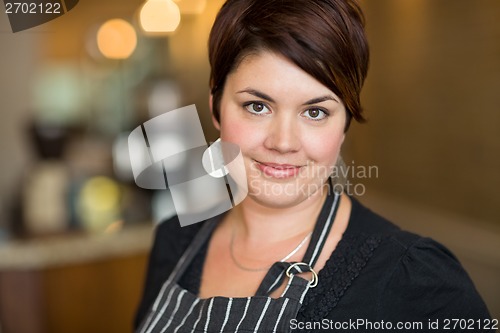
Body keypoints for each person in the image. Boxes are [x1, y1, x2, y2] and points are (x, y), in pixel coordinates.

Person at [134, 0, 493, 332]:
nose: (283, 142)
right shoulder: (175, 241)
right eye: (258, 106)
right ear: (216, 108)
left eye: (315, 112)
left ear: (343, 127)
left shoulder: (415, 280)